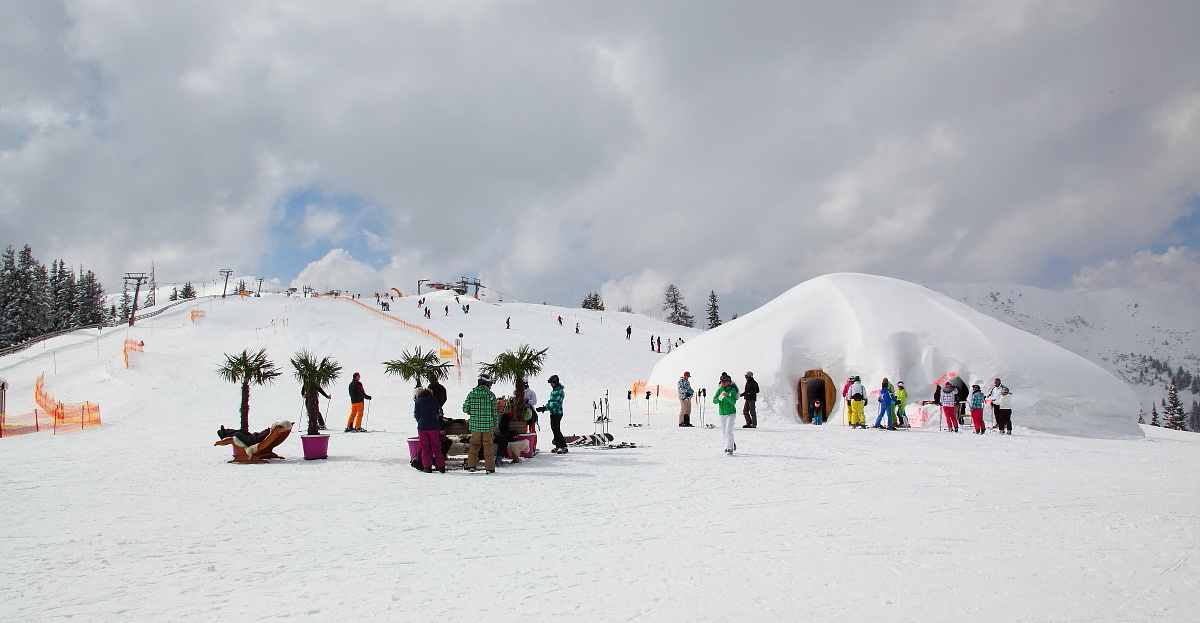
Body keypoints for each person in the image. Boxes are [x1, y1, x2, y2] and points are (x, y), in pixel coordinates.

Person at [463, 375, 499, 473]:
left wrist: (473, 412)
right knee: (488, 446)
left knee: (474, 445)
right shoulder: (491, 395)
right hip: (487, 426)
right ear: (487, 383)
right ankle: (490, 468)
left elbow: (465, 409)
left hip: (475, 426)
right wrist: (495, 423)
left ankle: (471, 465)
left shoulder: (471, 394)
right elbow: (494, 412)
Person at [414, 388, 446, 473]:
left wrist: (420, 421)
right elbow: (437, 411)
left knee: (425, 448)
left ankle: (427, 467)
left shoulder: (418, 401)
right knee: (436, 447)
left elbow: (416, 414)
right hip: (434, 426)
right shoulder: (434, 399)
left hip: (423, 427)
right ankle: (441, 466)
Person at [539, 374, 567, 453]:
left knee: (556, 429)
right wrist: (544, 407)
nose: (551, 384)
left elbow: (556, 403)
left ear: (555, 382)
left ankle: (563, 446)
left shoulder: (560, 392)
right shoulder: (553, 391)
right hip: (553, 413)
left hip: (557, 413)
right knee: (553, 428)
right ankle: (558, 445)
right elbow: (550, 402)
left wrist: (545, 408)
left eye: (551, 383)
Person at [714, 372, 739, 455]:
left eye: (725, 382)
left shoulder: (732, 390)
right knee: (724, 432)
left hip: (730, 413)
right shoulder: (719, 390)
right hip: (722, 413)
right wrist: (719, 398)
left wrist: (727, 396)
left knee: (728, 431)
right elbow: (714, 401)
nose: (723, 383)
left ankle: (729, 448)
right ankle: (730, 443)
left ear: (728, 382)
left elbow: (733, 402)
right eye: (721, 382)